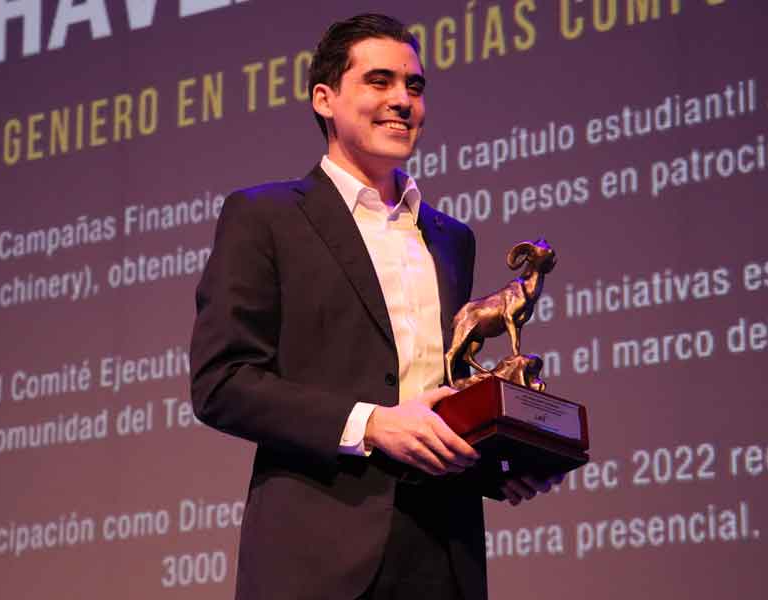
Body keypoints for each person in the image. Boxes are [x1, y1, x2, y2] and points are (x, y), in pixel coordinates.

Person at [190, 14, 557, 600]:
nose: (401, 101)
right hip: (317, 557)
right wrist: (373, 424)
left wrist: (503, 461)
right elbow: (222, 383)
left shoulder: (451, 237)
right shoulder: (265, 218)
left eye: (413, 87)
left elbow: (442, 387)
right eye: (379, 82)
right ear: (325, 98)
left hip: (444, 552)